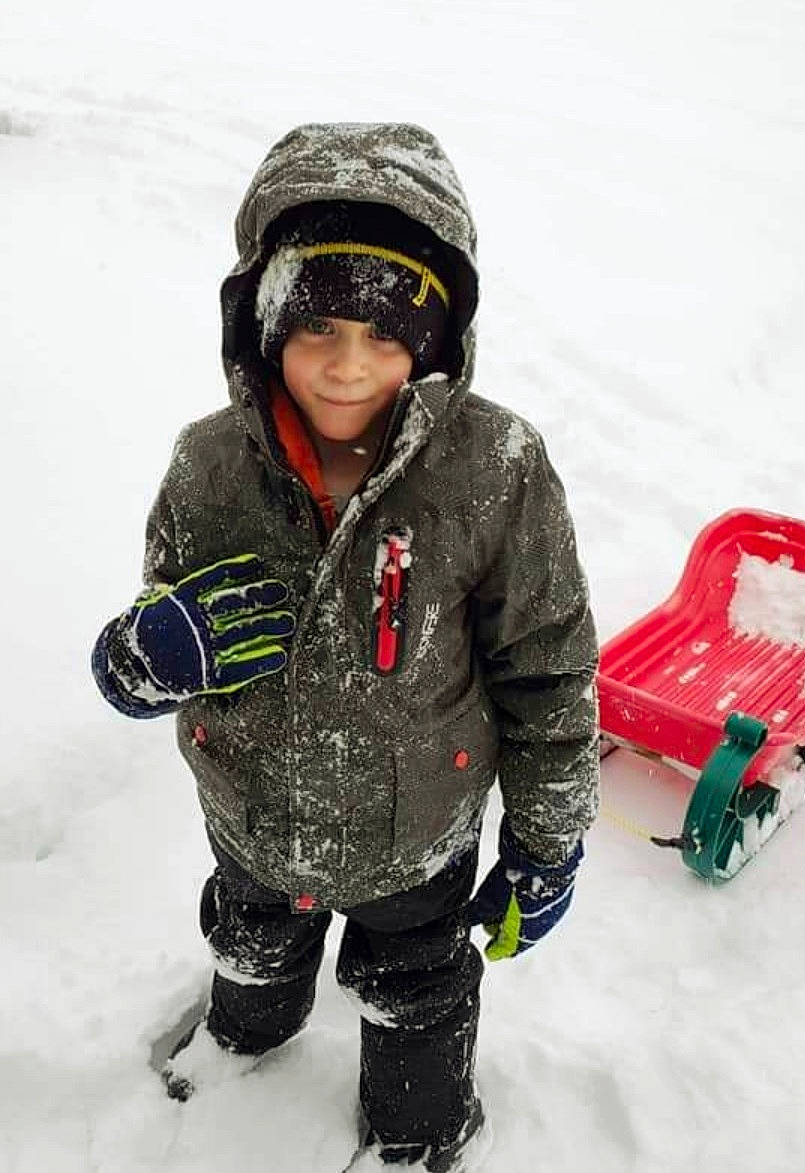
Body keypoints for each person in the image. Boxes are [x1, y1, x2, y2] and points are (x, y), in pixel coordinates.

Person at [91, 123, 599, 1172]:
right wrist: (143, 655)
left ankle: (419, 1125)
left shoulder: (494, 467)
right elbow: (153, 624)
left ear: (438, 338)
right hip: (251, 811)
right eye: (317, 328)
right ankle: (248, 1036)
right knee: (251, 937)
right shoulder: (208, 465)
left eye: (385, 335)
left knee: (417, 982)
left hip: (419, 829)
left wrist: (545, 841)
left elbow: (546, 664)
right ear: (263, 321)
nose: (348, 367)